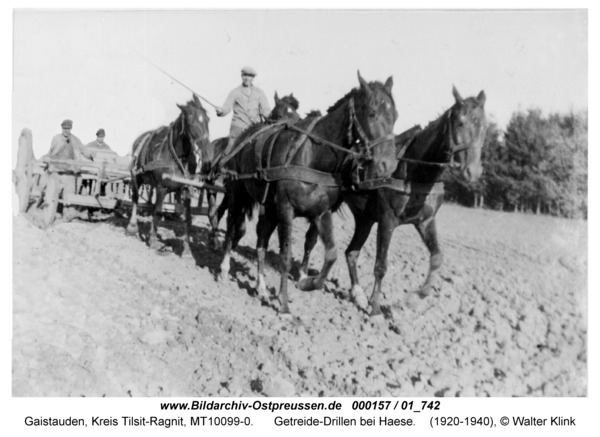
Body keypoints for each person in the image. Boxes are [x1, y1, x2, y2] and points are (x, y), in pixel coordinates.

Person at [40, 119, 93, 221]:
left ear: (71, 129)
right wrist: (46, 158)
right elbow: (49, 152)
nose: (66, 131)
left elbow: (83, 150)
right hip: (56, 171)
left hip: (69, 172)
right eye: (64, 128)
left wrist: (90, 155)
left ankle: (67, 215)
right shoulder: (56, 139)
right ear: (61, 128)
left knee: (70, 196)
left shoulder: (75, 140)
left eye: (68, 129)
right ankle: (51, 215)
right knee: (52, 195)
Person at [215, 66, 271, 154]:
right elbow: (226, 107)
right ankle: (223, 165)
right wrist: (221, 111)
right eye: (245, 75)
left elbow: (266, 109)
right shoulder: (235, 92)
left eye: (250, 76)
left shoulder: (259, 92)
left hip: (256, 128)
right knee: (230, 149)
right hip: (239, 128)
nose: (247, 78)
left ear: (253, 78)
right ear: (241, 76)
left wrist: (269, 116)